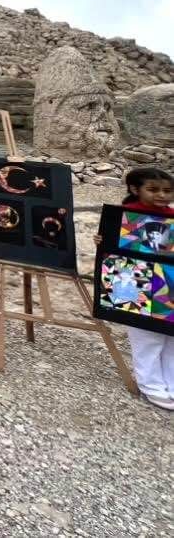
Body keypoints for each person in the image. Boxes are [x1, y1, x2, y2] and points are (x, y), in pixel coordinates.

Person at [103, 167, 174, 411]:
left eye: (167, 190)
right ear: (135, 189)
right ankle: (151, 385)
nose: (162, 196)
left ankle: (171, 384)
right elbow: (113, 250)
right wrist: (104, 240)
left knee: (171, 338)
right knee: (147, 337)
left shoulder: (172, 217)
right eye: (153, 190)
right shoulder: (126, 216)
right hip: (137, 283)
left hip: (169, 285)